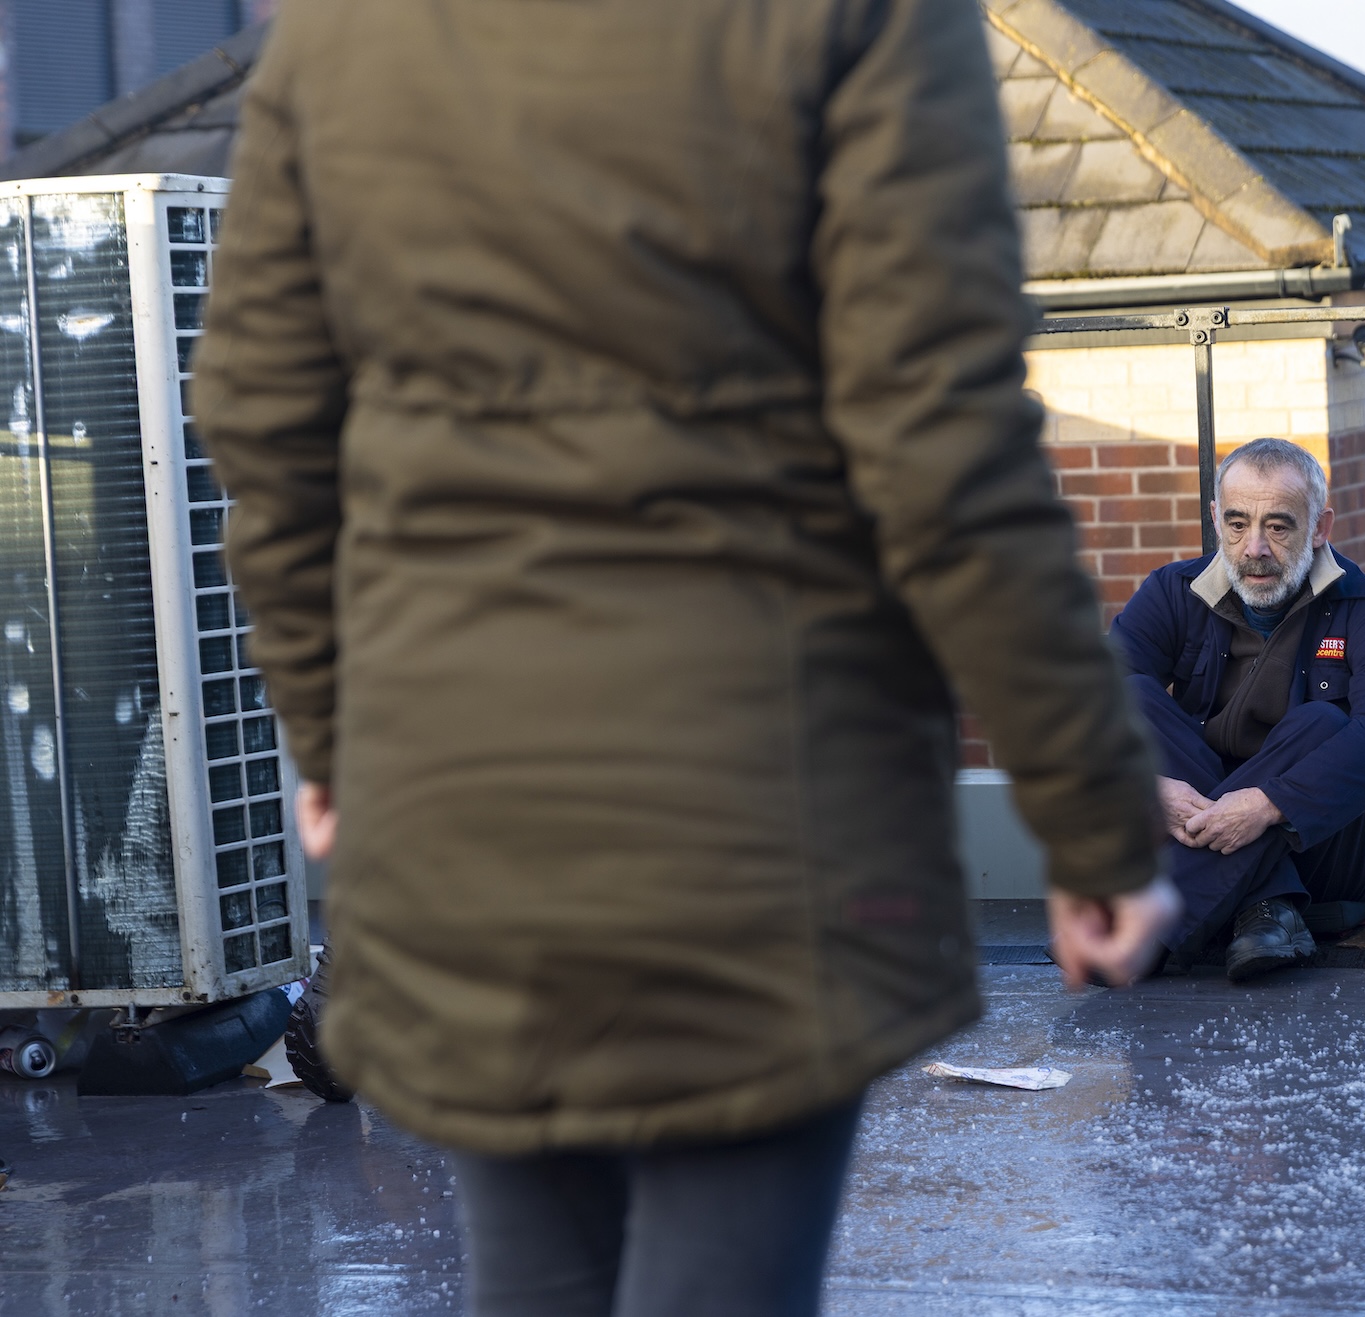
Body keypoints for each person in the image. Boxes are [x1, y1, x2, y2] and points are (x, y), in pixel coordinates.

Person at [192, 2, 1177, 1313]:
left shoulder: (351, 32)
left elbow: (263, 413)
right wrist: (1092, 817)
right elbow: (941, 439)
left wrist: (329, 726)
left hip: (460, 793)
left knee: (539, 1278)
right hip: (765, 816)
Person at [1109, 438, 1365, 982]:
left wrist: (1268, 803)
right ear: (1214, 519)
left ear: (1320, 527)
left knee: (1323, 724)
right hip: (1204, 827)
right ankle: (1266, 905)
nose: (1253, 547)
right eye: (1236, 524)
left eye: (1278, 527)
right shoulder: (1171, 592)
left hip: (1329, 851)